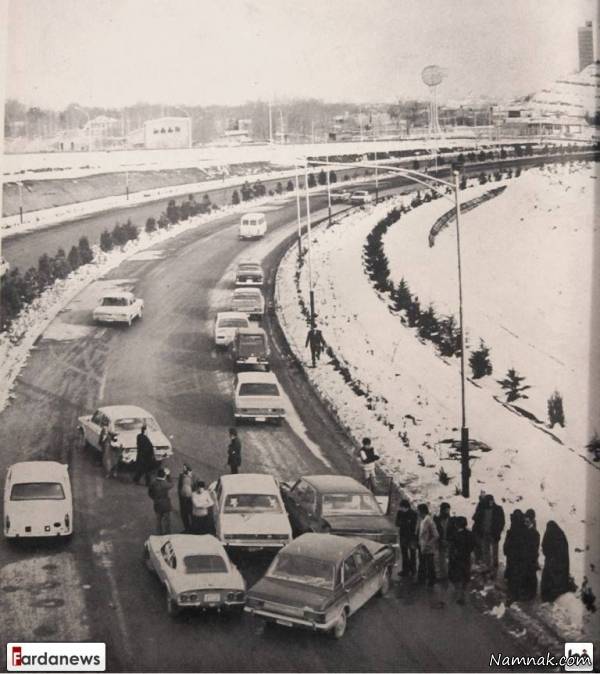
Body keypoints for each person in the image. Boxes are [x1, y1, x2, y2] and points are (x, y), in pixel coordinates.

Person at [472, 494, 505, 578]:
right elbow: (477, 519)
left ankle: (494, 567)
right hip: (484, 533)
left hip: (494, 534)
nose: (491, 503)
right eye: (489, 501)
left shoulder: (498, 509)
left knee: (494, 551)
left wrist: (498, 531)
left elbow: (502, 522)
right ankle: (487, 566)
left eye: (492, 501)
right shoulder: (482, 509)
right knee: (486, 551)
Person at [448, 516, 475, 604]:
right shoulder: (470, 534)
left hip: (457, 559)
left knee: (457, 576)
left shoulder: (455, 535)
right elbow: (473, 545)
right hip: (466, 558)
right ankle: (463, 593)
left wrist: (452, 555)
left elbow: (452, 547)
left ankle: (459, 594)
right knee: (465, 576)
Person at [541, 520, 570, 602]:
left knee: (548, 579)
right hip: (560, 564)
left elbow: (545, 546)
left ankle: (548, 598)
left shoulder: (550, 534)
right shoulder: (561, 535)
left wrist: (548, 555)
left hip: (551, 562)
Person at [503, 509, 525, 604]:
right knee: (517, 575)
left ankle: (512, 595)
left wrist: (506, 551)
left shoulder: (512, 529)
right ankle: (515, 594)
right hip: (518, 557)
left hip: (512, 556)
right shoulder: (523, 529)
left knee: (512, 576)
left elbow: (507, 543)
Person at [519, 511, 540, 600]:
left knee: (531, 575)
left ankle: (531, 594)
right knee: (526, 575)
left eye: (527, 522)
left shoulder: (535, 533)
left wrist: (532, 557)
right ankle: (527, 592)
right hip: (525, 557)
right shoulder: (526, 531)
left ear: (531, 521)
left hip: (531, 558)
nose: (525, 523)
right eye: (525, 521)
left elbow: (534, 547)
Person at [416, 503, 438, 587]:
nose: (417, 512)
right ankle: (421, 579)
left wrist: (428, 544)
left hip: (428, 547)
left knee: (430, 565)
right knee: (422, 564)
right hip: (422, 546)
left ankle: (431, 581)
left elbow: (436, 535)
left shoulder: (429, 521)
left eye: (418, 511)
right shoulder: (422, 520)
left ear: (422, 511)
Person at [434, 502, 456, 581]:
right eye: (446, 510)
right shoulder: (437, 520)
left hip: (449, 541)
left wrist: (450, 540)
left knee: (451, 558)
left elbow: (454, 531)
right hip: (441, 541)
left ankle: (450, 573)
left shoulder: (452, 520)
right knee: (441, 558)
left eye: (448, 510)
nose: (447, 511)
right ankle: (443, 574)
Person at [395, 499, 417, 577]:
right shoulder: (400, 513)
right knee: (404, 553)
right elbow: (397, 523)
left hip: (411, 536)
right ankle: (405, 570)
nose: (401, 509)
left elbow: (414, 526)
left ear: (406, 507)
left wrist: (404, 523)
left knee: (412, 553)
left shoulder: (413, 514)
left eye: (402, 507)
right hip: (403, 536)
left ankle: (413, 570)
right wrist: (406, 523)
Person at [148, 468, 173, 535]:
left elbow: (150, 493)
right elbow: (171, 484)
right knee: (167, 521)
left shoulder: (153, 483)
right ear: (164, 476)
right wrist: (169, 475)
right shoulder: (165, 484)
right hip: (165, 504)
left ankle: (159, 534)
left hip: (157, 504)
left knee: (158, 520)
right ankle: (167, 534)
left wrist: (154, 498)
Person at [177, 464, 194, 532]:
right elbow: (179, 486)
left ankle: (190, 528)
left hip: (188, 497)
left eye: (185, 468)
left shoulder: (191, 478)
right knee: (185, 514)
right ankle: (188, 527)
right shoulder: (182, 476)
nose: (183, 469)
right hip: (183, 498)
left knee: (189, 513)